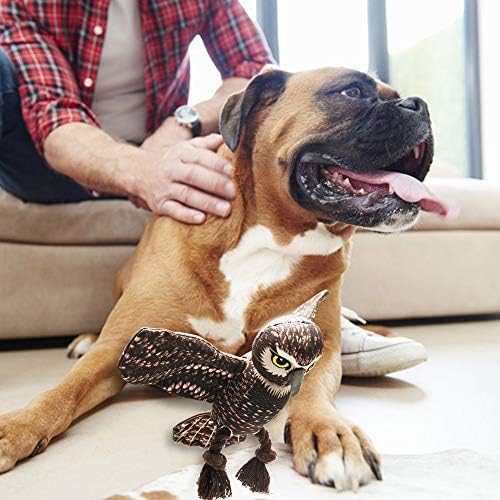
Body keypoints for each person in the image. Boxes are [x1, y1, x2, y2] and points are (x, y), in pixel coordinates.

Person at [0, 0, 426, 377]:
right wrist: (143, 170)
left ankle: (307, 318)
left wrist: (182, 124)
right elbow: (54, 116)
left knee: (243, 157)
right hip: (50, 163)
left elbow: (253, 69)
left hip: (163, 138)